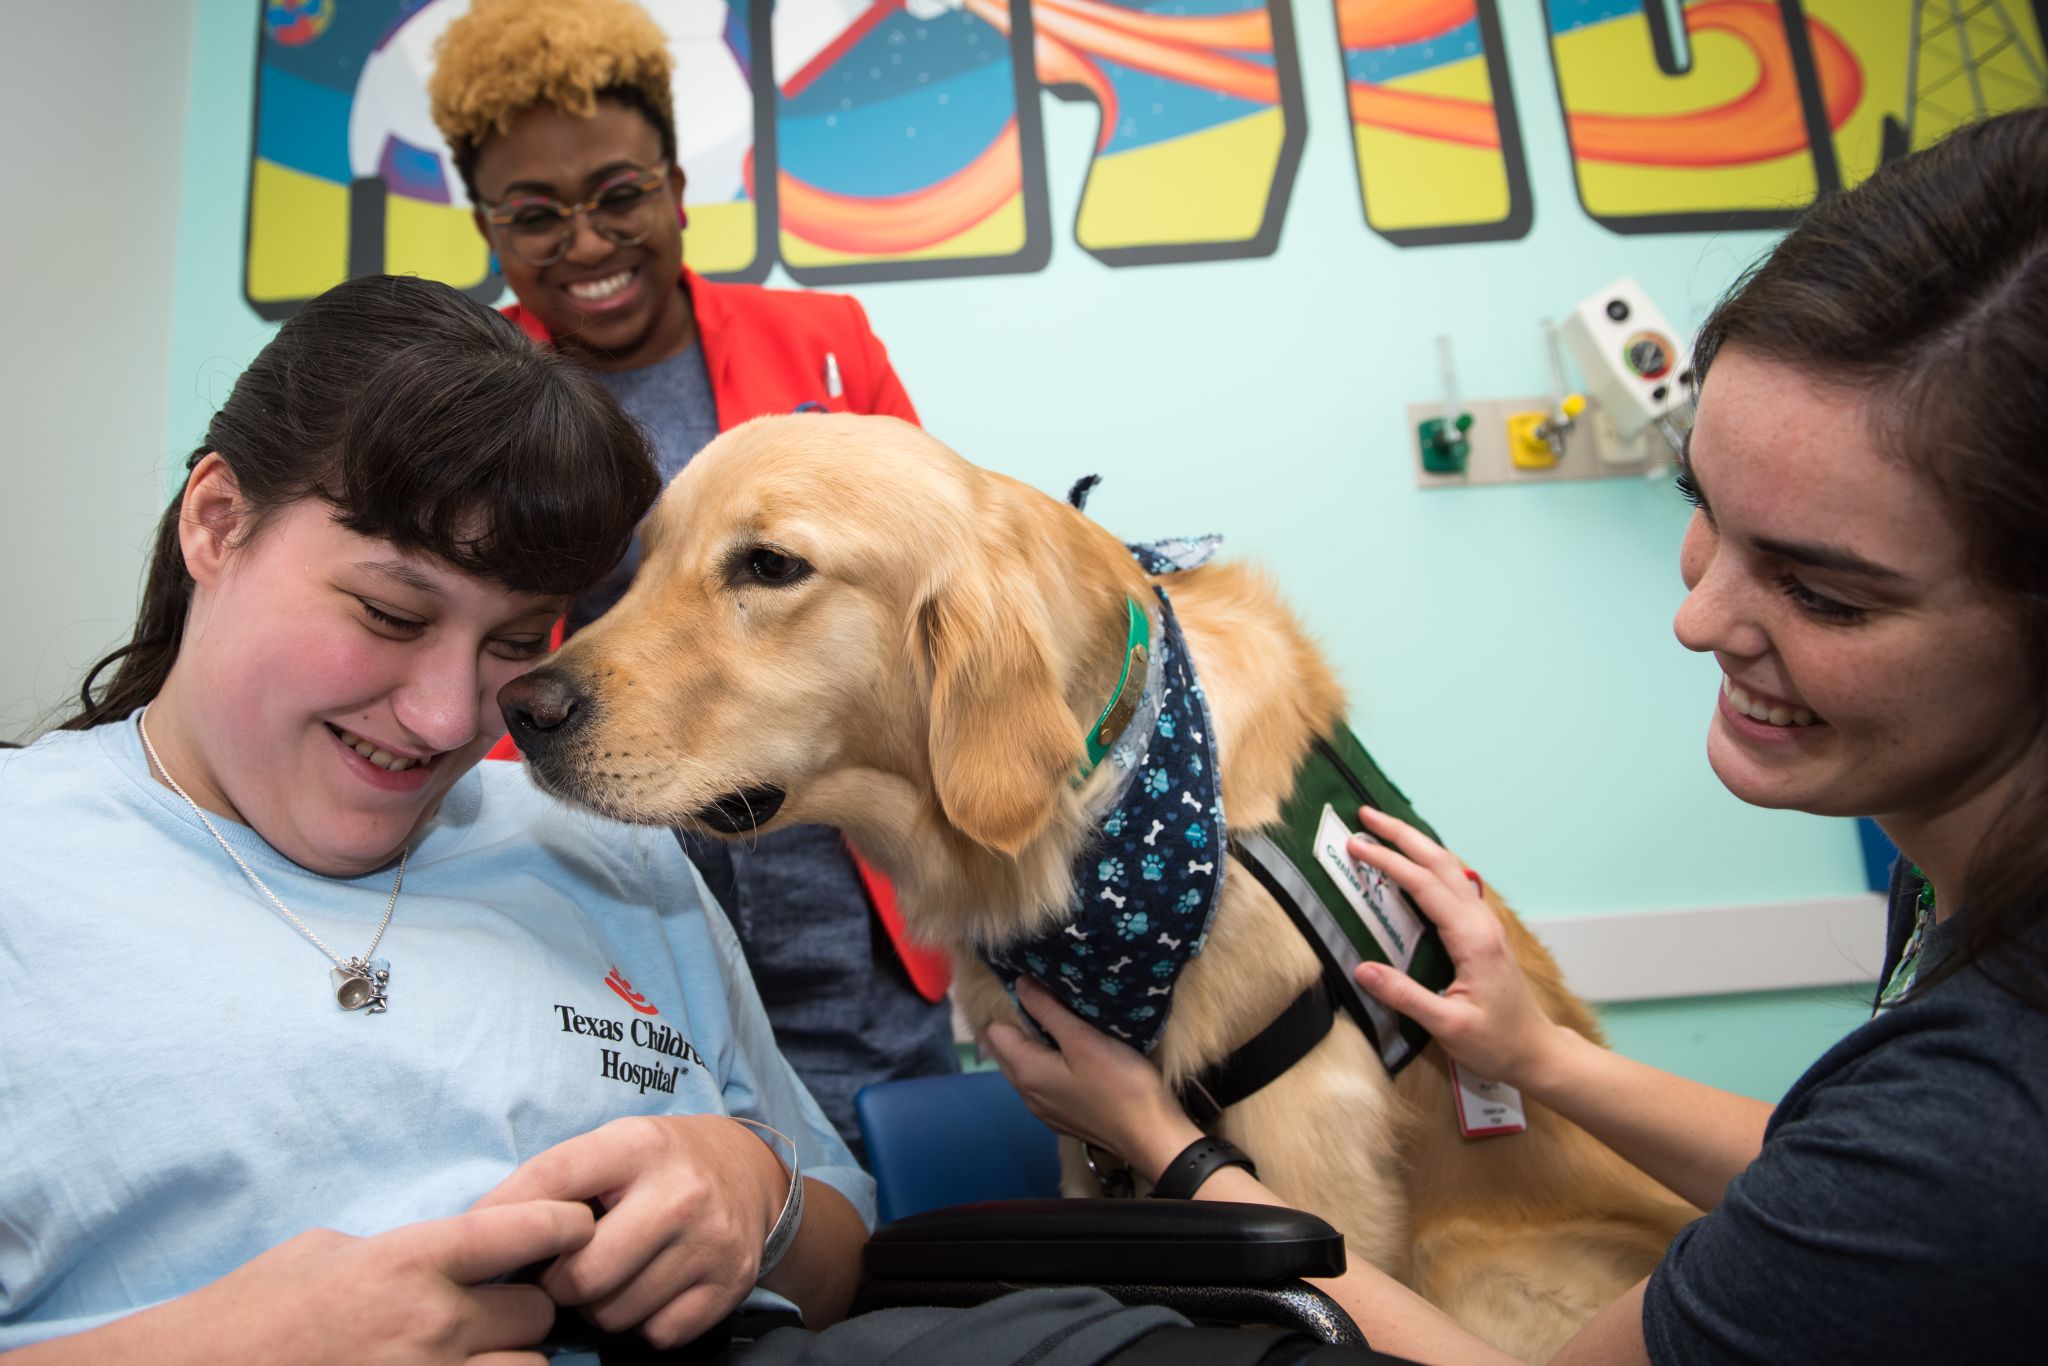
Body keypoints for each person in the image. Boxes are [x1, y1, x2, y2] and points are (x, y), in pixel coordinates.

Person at [988, 106, 2048, 1364]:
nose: (1695, 618)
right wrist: (1534, 1054)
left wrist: (1170, 1149)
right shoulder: (1959, 906)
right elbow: (1839, 1174)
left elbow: (1914, 1179)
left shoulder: (1986, 1112)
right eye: (1697, 504)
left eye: (1822, 593)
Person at [0, 275, 874, 1361]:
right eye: (388, 614)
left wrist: (758, 1192)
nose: (450, 714)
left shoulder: (611, 857)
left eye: (515, 641)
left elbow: (844, 1258)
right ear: (217, 523)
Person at [427, 0, 956, 1158]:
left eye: (618, 195)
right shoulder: (469, 394)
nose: (585, 243)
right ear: (489, 227)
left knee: (900, 1218)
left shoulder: (823, 343)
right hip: (602, 897)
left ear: (673, 186)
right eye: (534, 215)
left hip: (844, 910)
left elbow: (927, 592)